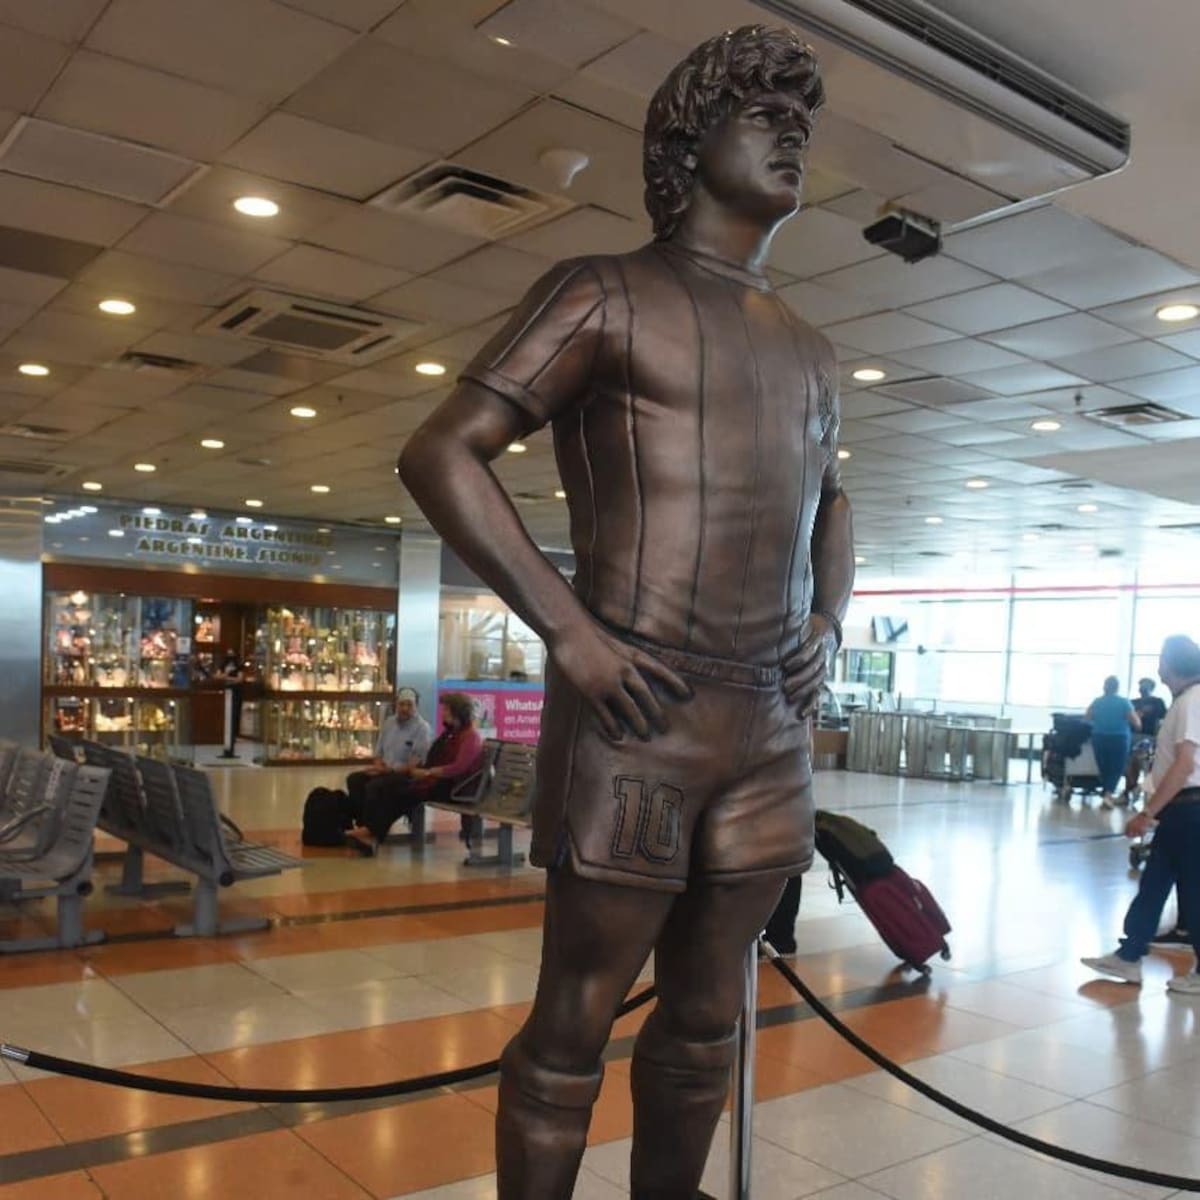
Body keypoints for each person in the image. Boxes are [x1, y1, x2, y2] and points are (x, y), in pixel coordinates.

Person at [397, 26, 853, 1199]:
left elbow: (832, 504)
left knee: (706, 1021)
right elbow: (444, 452)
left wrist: (831, 620)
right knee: (572, 1028)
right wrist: (572, 631)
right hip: (638, 708)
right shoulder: (603, 292)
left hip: (768, 728)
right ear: (689, 143)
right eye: (764, 114)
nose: (793, 131)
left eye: (800, 118)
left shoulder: (812, 351)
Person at [1081, 635, 1200, 993]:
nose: (1158, 665)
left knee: (1193, 890)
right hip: (1180, 811)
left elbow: (1184, 765)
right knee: (1154, 884)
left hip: (1190, 809)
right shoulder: (1183, 701)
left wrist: (1147, 813)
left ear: (1174, 663)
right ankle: (1130, 955)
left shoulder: (1193, 700)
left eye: (1162, 658)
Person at [345, 693, 484, 856]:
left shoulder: (470, 737)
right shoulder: (453, 734)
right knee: (390, 787)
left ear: (457, 712)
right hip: (440, 781)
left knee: (401, 791)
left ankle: (373, 831)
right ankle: (372, 829)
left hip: (453, 787)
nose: (443, 713)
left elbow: (458, 768)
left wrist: (428, 772)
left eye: (446, 710)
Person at [344, 687, 432, 825]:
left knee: (374, 787)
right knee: (354, 779)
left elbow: (414, 763)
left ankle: (373, 827)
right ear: (396, 705)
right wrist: (378, 768)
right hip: (385, 770)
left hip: (405, 775)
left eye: (409, 705)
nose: (404, 709)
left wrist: (389, 771)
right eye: (402, 704)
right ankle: (361, 822)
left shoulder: (422, 729)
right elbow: (379, 752)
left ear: (416, 707)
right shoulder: (389, 723)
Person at [1085, 675, 1140, 808]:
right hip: (1119, 738)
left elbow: (1087, 718)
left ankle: (1107, 792)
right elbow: (1137, 723)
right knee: (1116, 767)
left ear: (1104, 687)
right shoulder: (1124, 702)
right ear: (1117, 688)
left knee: (1104, 766)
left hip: (1099, 737)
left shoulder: (1097, 702)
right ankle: (1108, 794)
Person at [1127, 676, 1168, 794]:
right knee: (1129, 763)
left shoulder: (1157, 702)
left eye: (1145, 685)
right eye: (1141, 685)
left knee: (1142, 761)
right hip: (1132, 735)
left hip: (1149, 737)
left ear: (1151, 688)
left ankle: (1141, 789)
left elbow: (1163, 719)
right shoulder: (1132, 702)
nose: (1142, 688)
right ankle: (1129, 789)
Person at [216, 649, 243, 759]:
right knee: (227, 719)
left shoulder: (239, 666)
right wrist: (229, 677)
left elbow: (240, 679)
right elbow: (217, 676)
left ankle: (231, 747)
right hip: (226, 693)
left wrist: (226, 677)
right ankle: (227, 748)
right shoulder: (223, 665)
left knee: (233, 718)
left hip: (235, 694)